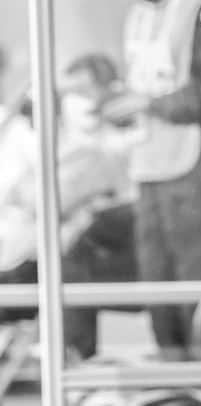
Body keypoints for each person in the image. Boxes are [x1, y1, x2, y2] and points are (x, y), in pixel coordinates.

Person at [103, 0, 201, 354]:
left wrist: (148, 105)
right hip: (150, 169)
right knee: (158, 282)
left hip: (196, 172)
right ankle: (175, 380)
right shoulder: (140, 15)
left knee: (197, 283)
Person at [0, 53, 134, 358]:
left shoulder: (103, 150)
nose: (78, 102)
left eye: (85, 92)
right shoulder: (68, 146)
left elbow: (47, 200)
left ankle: (71, 362)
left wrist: (28, 193)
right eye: (72, 94)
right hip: (37, 259)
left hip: (69, 264)